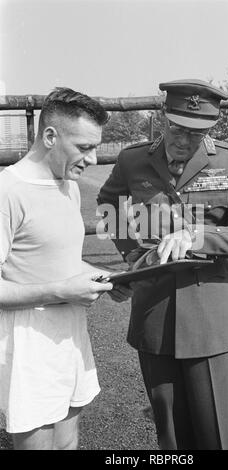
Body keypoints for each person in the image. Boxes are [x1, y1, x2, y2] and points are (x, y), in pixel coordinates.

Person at [97, 79, 228, 450]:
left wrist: (196, 236)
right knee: (172, 438)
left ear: (211, 129)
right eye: (177, 128)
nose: (183, 140)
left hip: (210, 319)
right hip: (154, 315)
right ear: (163, 118)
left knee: (221, 436)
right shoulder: (132, 160)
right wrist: (129, 253)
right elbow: (108, 205)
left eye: (196, 132)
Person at [0, 87, 132, 450]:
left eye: (95, 148)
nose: (91, 159)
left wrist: (106, 279)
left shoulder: (67, 186)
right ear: (50, 136)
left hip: (70, 330)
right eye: (84, 147)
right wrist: (61, 291)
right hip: (30, 338)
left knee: (67, 442)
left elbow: (62, 259)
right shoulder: (8, 190)